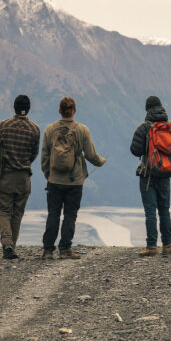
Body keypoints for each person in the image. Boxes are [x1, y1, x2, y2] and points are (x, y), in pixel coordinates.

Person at [41, 97, 106, 260]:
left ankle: (48, 250)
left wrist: (48, 174)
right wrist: (100, 162)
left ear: (59, 111)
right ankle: (64, 249)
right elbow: (90, 155)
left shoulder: (50, 129)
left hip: (54, 180)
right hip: (74, 180)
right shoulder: (82, 130)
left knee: (53, 214)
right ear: (74, 110)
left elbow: (45, 156)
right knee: (70, 214)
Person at [130, 96, 171, 256]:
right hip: (166, 173)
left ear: (147, 109)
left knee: (150, 211)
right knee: (164, 210)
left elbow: (134, 150)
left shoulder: (144, 128)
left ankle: (151, 246)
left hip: (148, 174)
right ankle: (168, 245)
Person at [0, 95, 40, 260]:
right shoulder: (35, 129)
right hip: (24, 178)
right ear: (28, 109)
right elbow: (34, 154)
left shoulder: (4, 125)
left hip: (6, 176)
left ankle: (6, 243)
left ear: (14, 108)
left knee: (5, 211)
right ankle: (11, 246)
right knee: (17, 213)